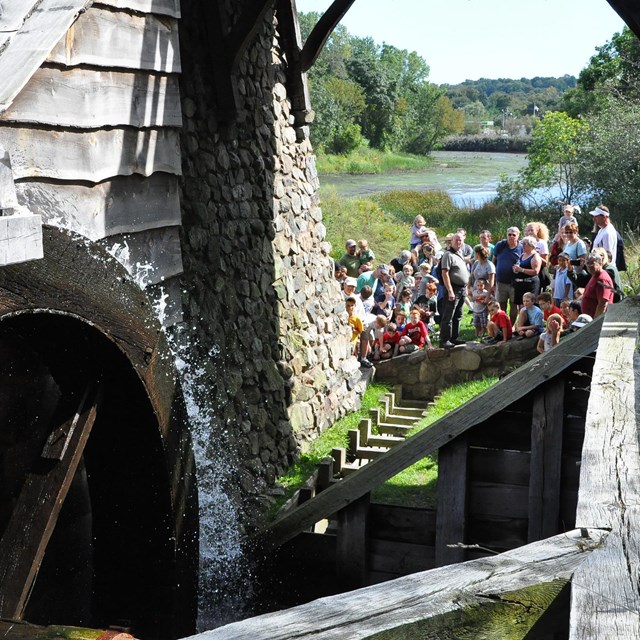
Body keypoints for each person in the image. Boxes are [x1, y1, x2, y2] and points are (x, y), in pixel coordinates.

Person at [438, 232, 470, 348]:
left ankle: (454, 338)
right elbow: (444, 273)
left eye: (460, 240)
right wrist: (450, 290)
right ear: (451, 241)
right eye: (456, 240)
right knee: (448, 315)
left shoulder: (459, 253)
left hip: (462, 289)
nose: (458, 242)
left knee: (458, 314)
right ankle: (444, 340)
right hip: (453, 288)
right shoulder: (448, 255)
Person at [493, 226, 522, 326]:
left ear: (518, 236)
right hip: (501, 281)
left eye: (514, 234)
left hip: (515, 282)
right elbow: (494, 259)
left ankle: (511, 326)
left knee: (514, 305)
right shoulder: (500, 245)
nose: (511, 236)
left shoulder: (521, 247)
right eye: (509, 234)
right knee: (501, 305)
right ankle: (502, 326)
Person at [581, 252, 614, 318]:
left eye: (592, 264)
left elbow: (603, 303)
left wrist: (595, 322)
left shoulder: (602, 279)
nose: (589, 266)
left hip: (599, 321)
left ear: (600, 264)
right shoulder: (594, 276)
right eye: (587, 263)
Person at [513, 236, 542, 310]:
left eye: (525, 244)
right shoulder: (522, 255)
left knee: (529, 305)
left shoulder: (535, 256)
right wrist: (516, 269)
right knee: (521, 306)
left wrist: (522, 270)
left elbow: (536, 271)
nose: (523, 246)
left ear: (531, 245)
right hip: (520, 284)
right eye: (522, 244)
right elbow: (518, 265)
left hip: (530, 284)